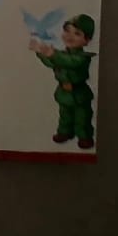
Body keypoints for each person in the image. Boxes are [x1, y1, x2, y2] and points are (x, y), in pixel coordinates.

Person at [30, 14, 97, 149]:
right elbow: (52, 63)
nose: (70, 36)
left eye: (77, 33)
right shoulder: (61, 54)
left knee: (82, 117)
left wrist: (52, 54)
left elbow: (70, 62)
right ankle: (65, 132)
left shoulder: (82, 57)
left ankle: (84, 136)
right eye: (67, 31)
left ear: (87, 40)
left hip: (79, 94)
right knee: (65, 115)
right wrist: (41, 52)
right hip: (64, 93)